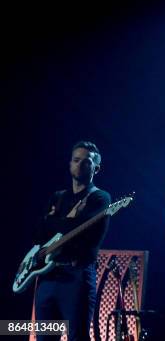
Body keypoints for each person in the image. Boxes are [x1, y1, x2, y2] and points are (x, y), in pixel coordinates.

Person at [35, 141, 111, 341]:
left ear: (97, 167)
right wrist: (69, 222)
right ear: (70, 163)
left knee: (77, 336)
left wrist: (56, 222)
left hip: (76, 276)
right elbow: (41, 233)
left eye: (86, 162)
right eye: (76, 160)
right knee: (45, 337)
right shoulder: (58, 197)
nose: (79, 165)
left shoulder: (100, 198)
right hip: (48, 276)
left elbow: (89, 238)